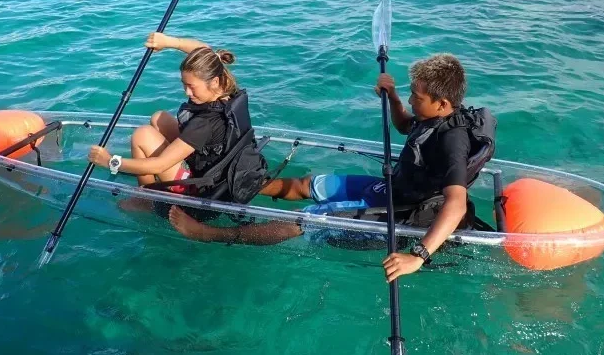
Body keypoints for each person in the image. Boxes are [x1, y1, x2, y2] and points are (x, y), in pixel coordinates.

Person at [168, 53, 496, 283]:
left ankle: (208, 233)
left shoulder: (454, 139)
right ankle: (239, 188)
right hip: (396, 188)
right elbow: (405, 126)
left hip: (407, 211)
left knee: (308, 219)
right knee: (309, 184)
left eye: (416, 96)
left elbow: (454, 203)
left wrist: (418, 256)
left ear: (442, 103)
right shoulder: (433, 116)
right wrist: (394, 96)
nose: (412, 100)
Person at [87, 32, 267, 205]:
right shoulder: (226, 88)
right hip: (222, 172)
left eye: (191, 86)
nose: (187, 92)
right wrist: (169, 42)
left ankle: (149, 199)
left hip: (202, 190)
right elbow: (206, 52)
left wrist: (111, 161)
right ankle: (152, 191)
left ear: (213, 82)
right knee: (159, 118)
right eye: (183, 84)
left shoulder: (204, 123)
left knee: (142, 135)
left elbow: (159, 165)